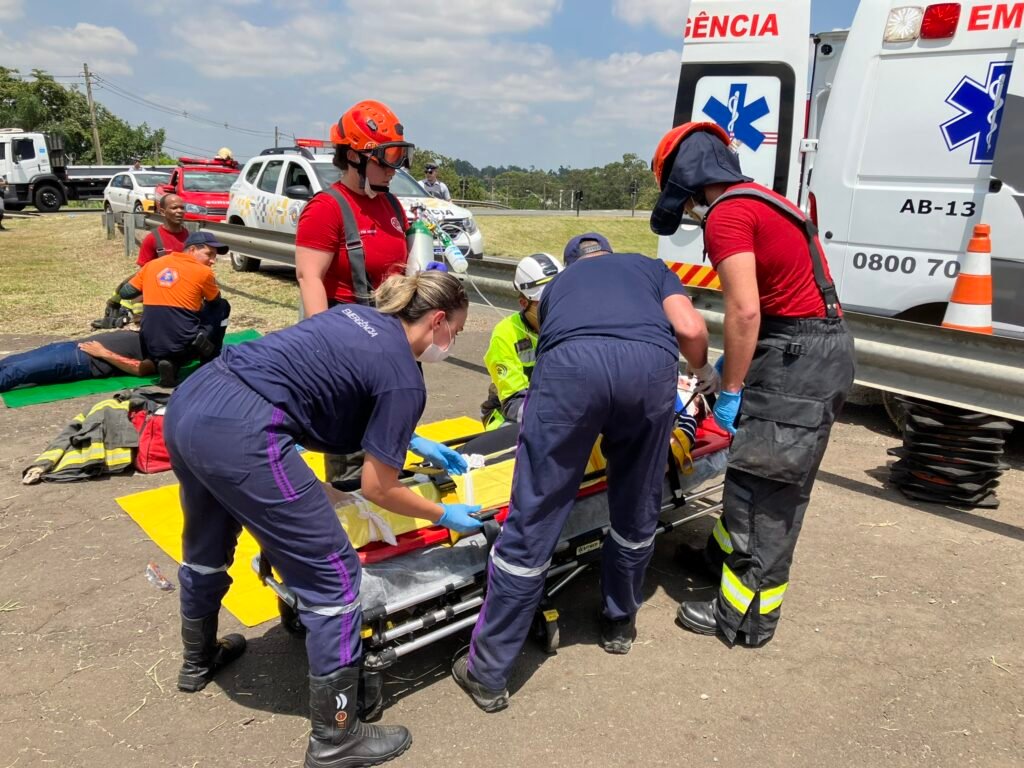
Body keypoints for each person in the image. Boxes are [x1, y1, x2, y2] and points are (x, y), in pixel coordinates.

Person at [163, 271, 481, 767]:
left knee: (207, 541)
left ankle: (197, 660)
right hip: (245, 431)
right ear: (438, 320)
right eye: (455, 332)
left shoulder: (353, 315)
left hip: (192, 403)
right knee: (334, 580)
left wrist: (410, 439)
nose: (451, 342)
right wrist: (445, 515)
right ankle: (336, 739)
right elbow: (379, 488)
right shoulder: (404, 374)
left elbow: (334, 389)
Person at [452, 233, 710, 712]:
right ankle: (619, 624)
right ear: (609, 253)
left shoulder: (559, 287)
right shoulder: (650, 268)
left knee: (534, 518)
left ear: (571, 264)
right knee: (637, 504)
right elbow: (690, 328)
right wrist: (704, 371)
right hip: (648, 370)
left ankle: (488, 674)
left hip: (570, 371)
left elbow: (561, 351)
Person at [649, 122, 855, 647]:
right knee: (757, 473)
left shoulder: (728, 214)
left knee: (764, 484)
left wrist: (730, 389)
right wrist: (734, 370)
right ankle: (719, 557)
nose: (690, 210)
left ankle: (742, 617)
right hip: (809, 348)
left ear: (687, 182)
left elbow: (744, 311)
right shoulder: (768, 201)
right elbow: (777, 300)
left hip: (795, 358)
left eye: (684, 199)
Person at [295, 100, 413, 316]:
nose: (392, 170)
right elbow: (309, 278)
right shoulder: (326, 208)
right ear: (353, 156)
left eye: (396, 159)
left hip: (391, 322)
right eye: (384, 161)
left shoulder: (392, 205)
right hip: (347, 323)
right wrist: (323, 333)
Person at [119, 230, 232, 387]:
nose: (213, 261)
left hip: (150, 344)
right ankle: (210, 359)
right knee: (223, 306)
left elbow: (125, 292)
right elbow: (215, 302)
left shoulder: (152, 265)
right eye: (209, 254)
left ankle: (170, 364)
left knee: (174, 326)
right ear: (192, 249)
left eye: (215, 256)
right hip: (183, 343)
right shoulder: (204, 272)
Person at [480, 252, 564, 430]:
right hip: (507, 413)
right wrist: (557, 417)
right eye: (546, 303)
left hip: (558, 409)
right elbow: (513, 402)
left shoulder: (570, 326)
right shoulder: (505, 333)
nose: (556, 308)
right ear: (524, 303)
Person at [0, 330, 154, 392]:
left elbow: (140, 369)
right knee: (8, 363)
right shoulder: (155, 329)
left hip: (83, 360)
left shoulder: (164, 351)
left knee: (17, 371)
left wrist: (103, 353)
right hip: (72, 345)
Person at [137, 194, 189, 267]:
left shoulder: (190, 237)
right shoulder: (152, 239)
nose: (180, 211)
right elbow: (144, 270)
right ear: (162, 212)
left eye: (182, 208)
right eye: (174, 208)